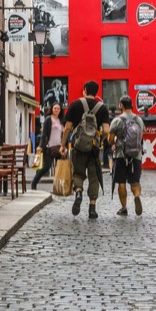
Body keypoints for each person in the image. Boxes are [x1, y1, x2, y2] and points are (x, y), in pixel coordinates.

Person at [61, 81, 109, 219]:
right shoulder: (102, 108)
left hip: (78, 146)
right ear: (97, 92)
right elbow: (106, 130)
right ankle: (92, 208)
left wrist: (63, 144)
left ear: (84, 90)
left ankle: (78, 193)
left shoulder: (75, 105)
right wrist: (100, 140)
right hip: (93, 149)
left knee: (78, 173)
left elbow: (68, 128)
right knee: (94, 177)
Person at [108, 95, 145, 216]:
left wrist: (114, 142)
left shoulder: (117, 120)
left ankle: (124, 208)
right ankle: (137, 195)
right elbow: (140, 137)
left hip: (121, 156)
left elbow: (110, 139)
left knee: (121, 182)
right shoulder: (138, 120)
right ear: (132, 105)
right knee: (135, 182)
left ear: (121, 106)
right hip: (136, 156)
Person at [30, 103, 63, 187]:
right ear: (52, 109)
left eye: (58, 109)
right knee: (46, 167)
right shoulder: (48, 119)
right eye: (55, 108)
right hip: (49, 147)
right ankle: (34, 182)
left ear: (60, 110)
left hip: (59, 147)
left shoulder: (61, 120)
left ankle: (60, 186)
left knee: (61, 167)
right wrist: (41, 146)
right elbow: (44, 134)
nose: (56, 110)